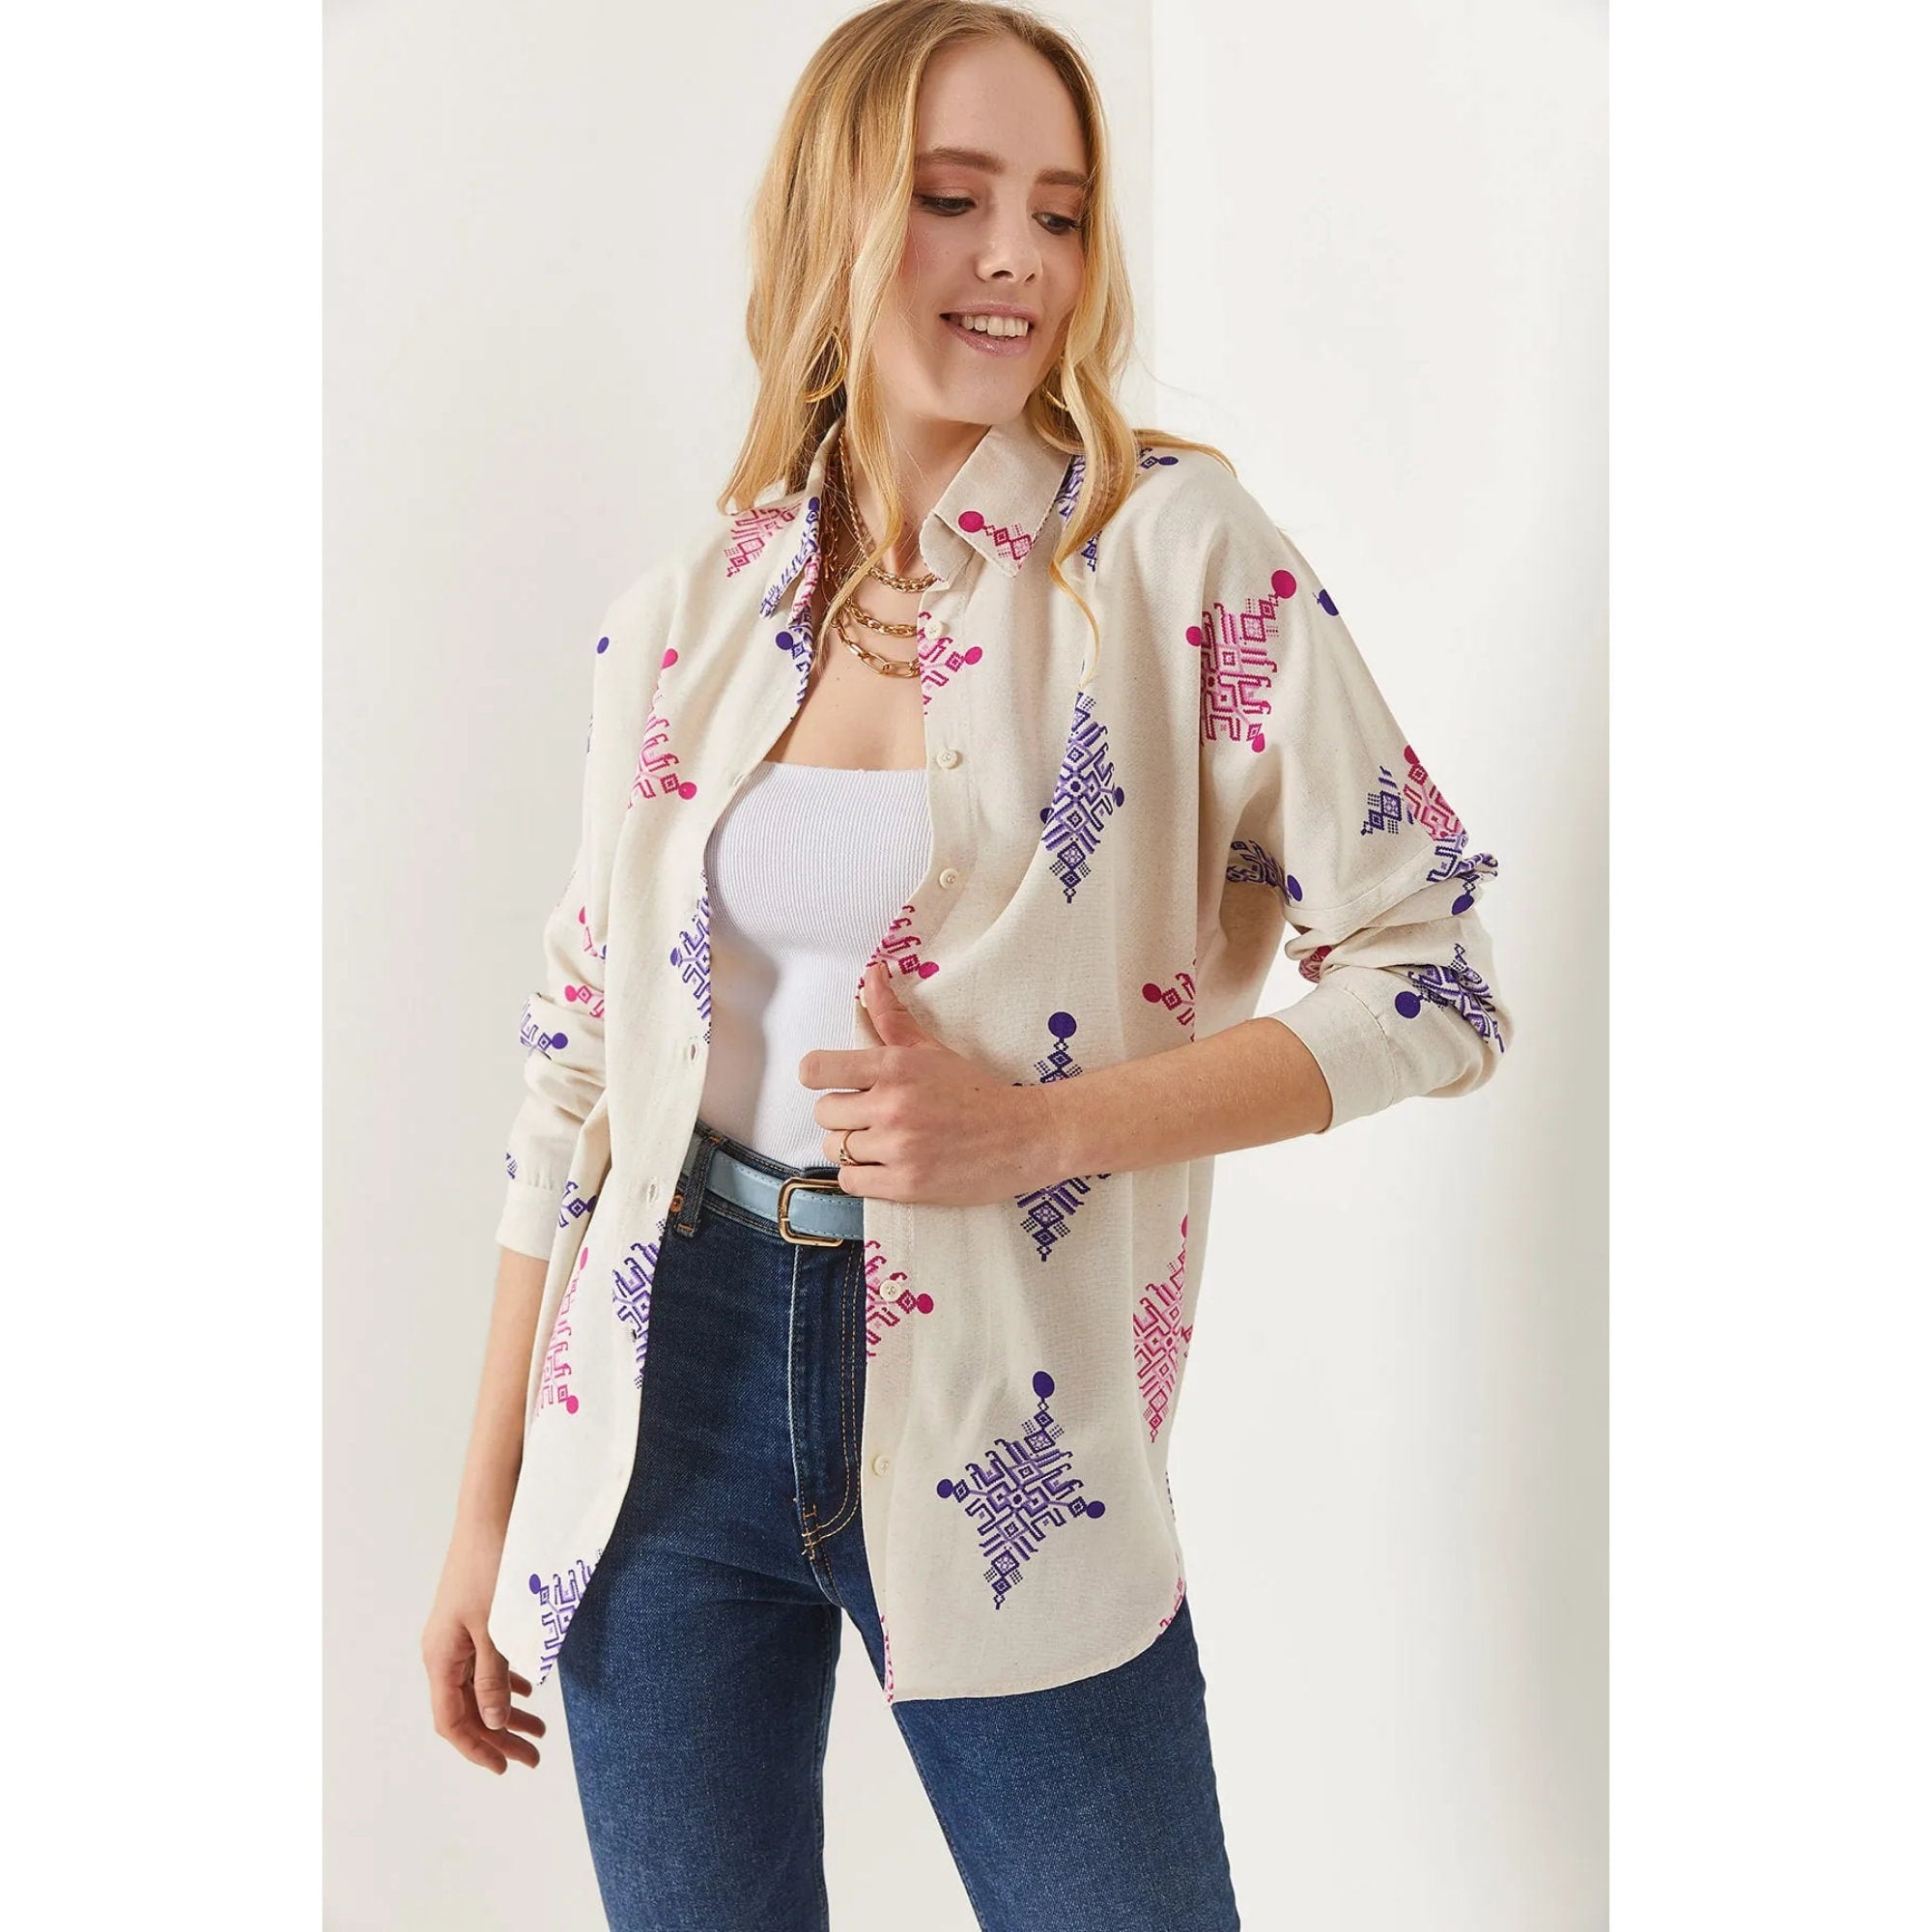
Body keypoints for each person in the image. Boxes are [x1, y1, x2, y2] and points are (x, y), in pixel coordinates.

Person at [422, 4, 1512, 1926]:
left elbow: (1437, 976)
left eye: (1060, 213)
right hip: (659, 1388)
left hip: (1010, 1400)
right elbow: (575, 1063)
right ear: (833, 214)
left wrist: (1035, 1132)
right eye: (951, 197)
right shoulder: (695, 608)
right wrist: (485, 1505)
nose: (1016, 256)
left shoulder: (1176, 556)